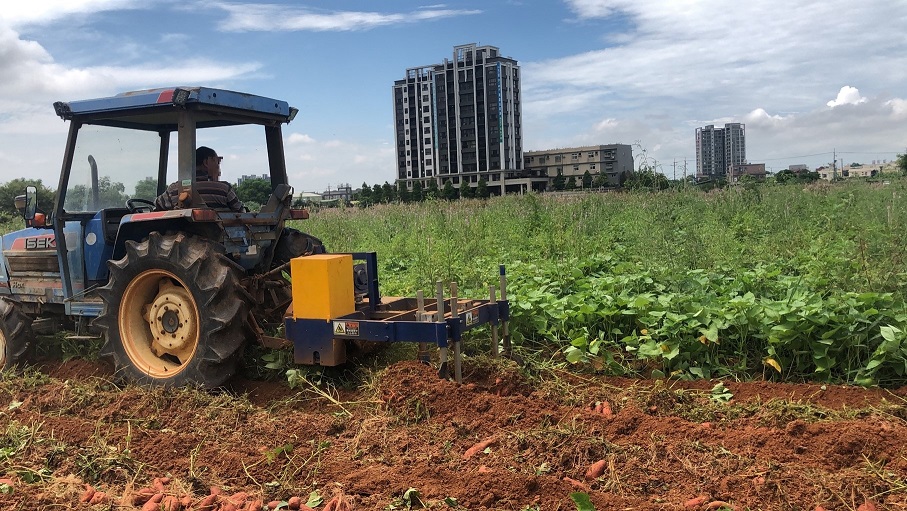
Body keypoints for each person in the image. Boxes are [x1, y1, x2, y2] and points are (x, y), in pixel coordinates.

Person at [154, 146, 245, 212]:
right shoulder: (224, 189)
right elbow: (241, 212)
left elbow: (157, 206)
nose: (218, 168)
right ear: (206, 162)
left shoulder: (174, 189)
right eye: (217, 162)